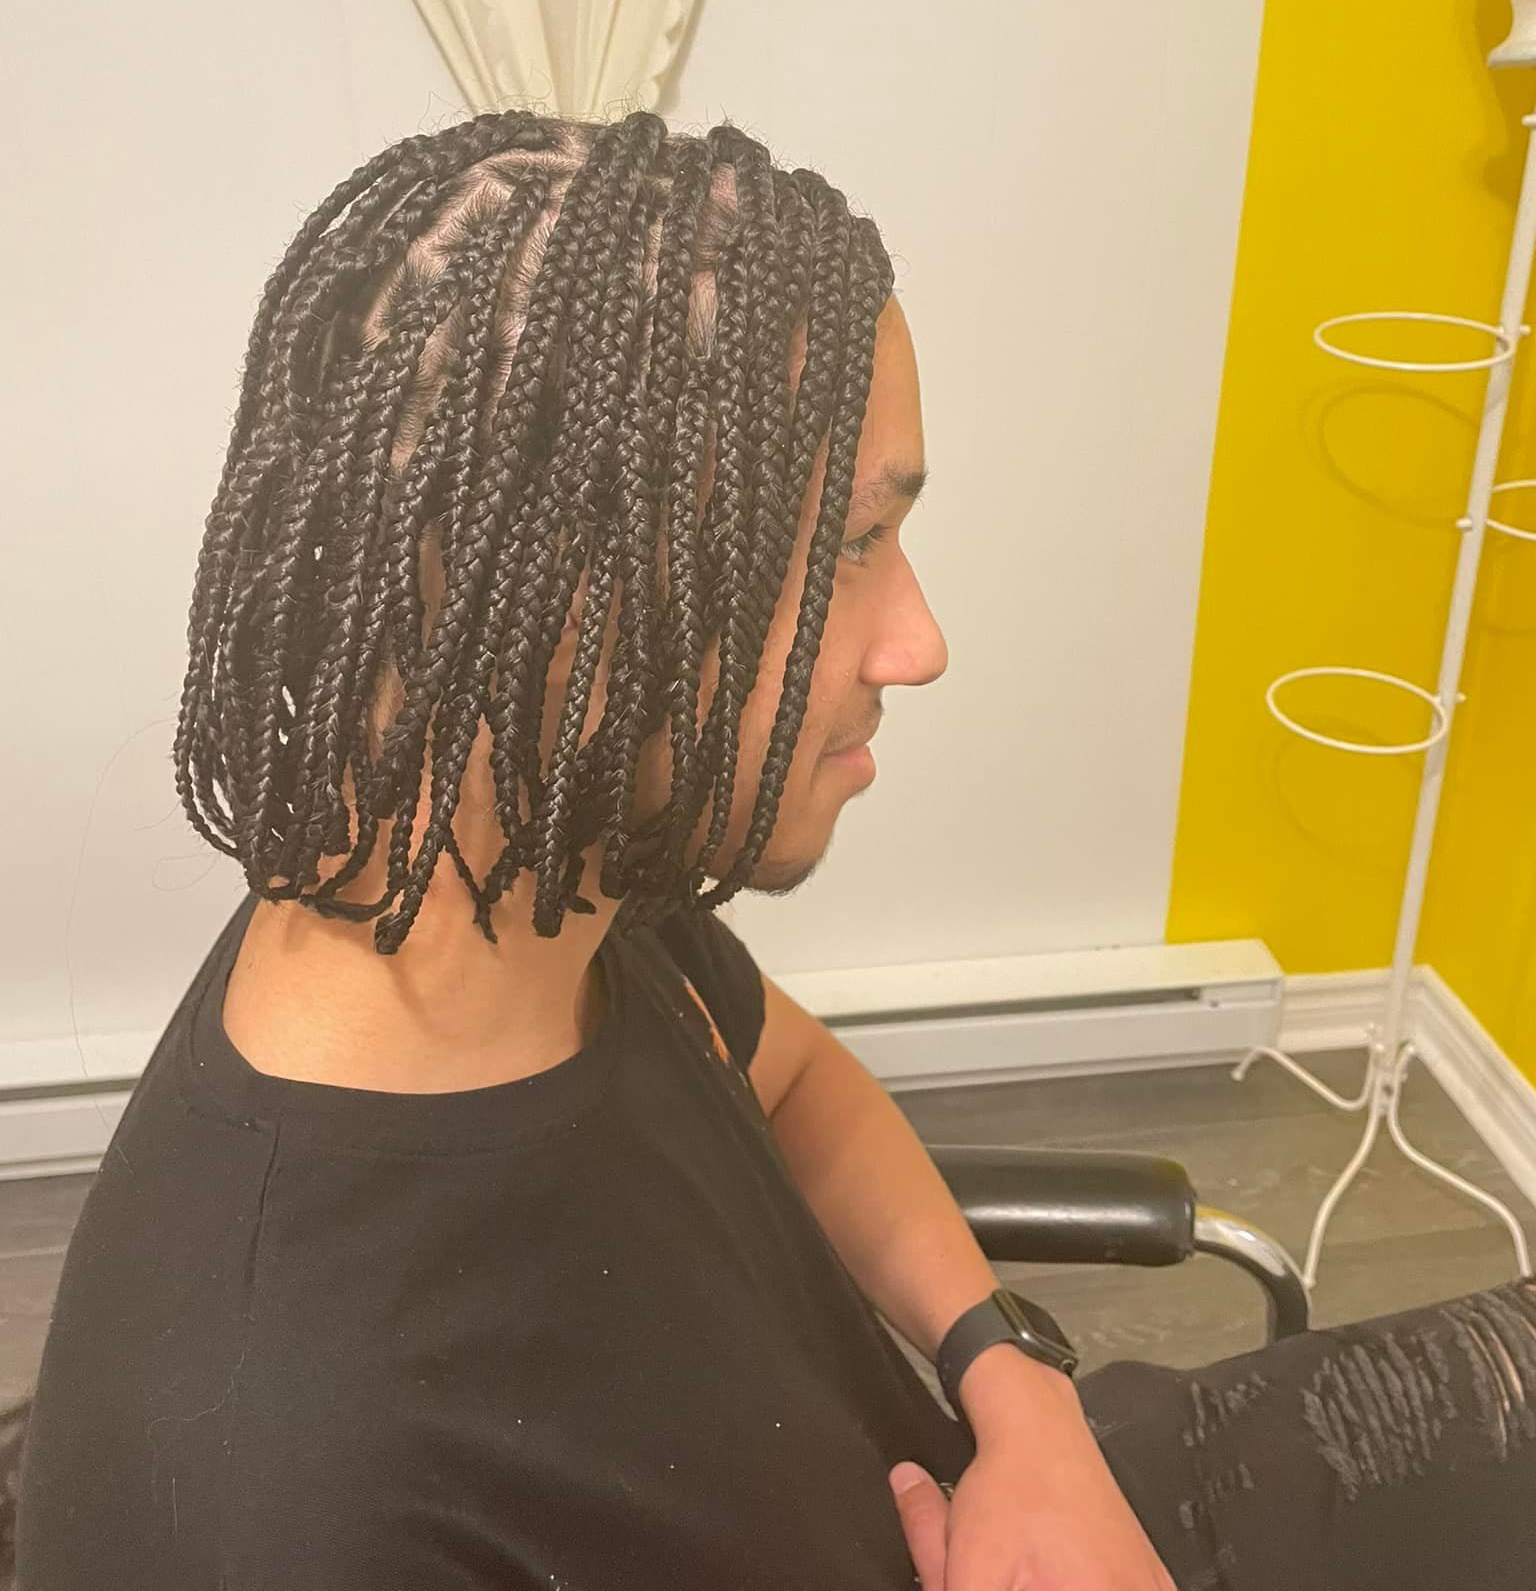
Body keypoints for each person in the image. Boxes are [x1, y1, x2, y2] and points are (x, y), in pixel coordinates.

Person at [10, 109, 1536, 1591]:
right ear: (555, 605)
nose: (920, 641)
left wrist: (1016, 1385)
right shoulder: (269, 1504)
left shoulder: (551, 873)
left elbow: (797, 1082)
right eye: (853, 547)